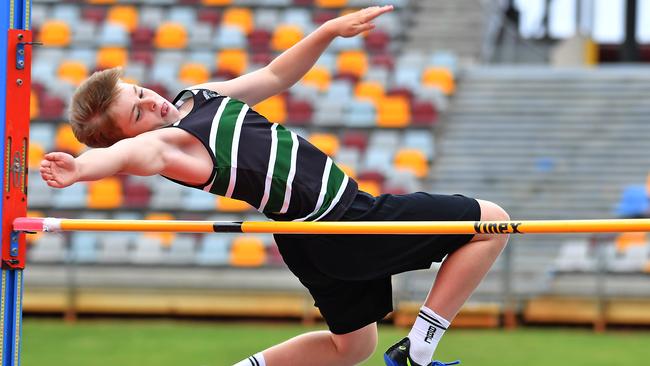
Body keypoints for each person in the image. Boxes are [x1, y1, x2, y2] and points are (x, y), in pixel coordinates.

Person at [40, 6, 510, 366]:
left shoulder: (199, 98)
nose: (153, 105)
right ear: (130, 133)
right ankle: (420, 352)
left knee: (352, 348)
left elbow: (275, 75)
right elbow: (120, 156)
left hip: (308, 235)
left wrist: (327, 31)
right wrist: (81, 169)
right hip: (341, 221)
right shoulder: (169, 148)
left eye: (141, 93)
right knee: (492, 221)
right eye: (137, 115)